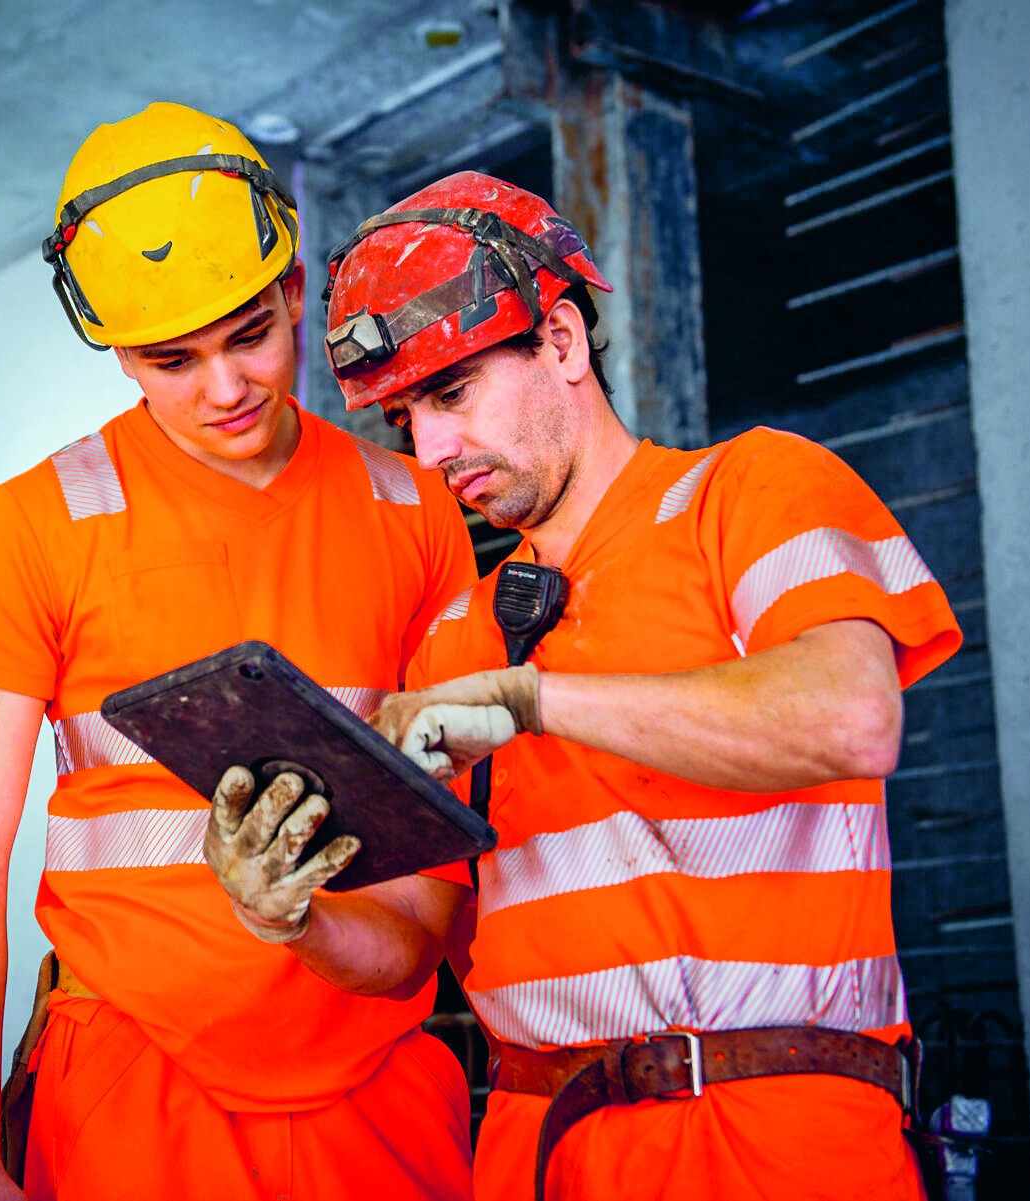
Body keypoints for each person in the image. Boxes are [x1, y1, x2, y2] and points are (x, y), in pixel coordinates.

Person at [317, 171, 964, 1201]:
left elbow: (851, 716)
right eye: (405, 416)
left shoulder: (750, 491)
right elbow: (413, 941)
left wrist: (537, 701)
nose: (430, 448)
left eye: (452, 393)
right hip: (548, 1152)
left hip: (780, 1136)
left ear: (563, 341)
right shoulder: (452, 639)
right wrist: (290, 913)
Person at [0, 102, 478, 1201]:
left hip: (378, 1080)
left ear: (297, 290)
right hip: (130, 1073)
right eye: (173, 359)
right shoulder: (35, 526)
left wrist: (308, 920)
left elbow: (431, 884)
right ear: (119, 351)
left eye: (251, 335)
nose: (225, 388)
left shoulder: (416, 509)